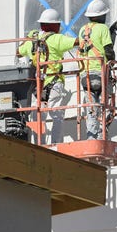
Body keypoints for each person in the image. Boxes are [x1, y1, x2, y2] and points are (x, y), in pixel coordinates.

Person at [17, 8, 78, 144]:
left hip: (38, 85)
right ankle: (56, 142)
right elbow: (77, 42)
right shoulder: (57, 38)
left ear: (41, 25)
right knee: (56, 114)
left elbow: (18, 52)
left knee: (38, 114)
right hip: (54, 82)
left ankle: (40, 142)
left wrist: (28, 39)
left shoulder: (32, 41)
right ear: (55, 25)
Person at [78, 0, 115, 140]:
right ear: (101, 16)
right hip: (100, 74)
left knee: (91, 108)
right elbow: (108, 50)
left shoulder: (83, 30)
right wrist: (112, 62)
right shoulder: (103, 29)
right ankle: (102, 135)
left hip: (85, 76)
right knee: (107, 104)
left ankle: (92, 137)